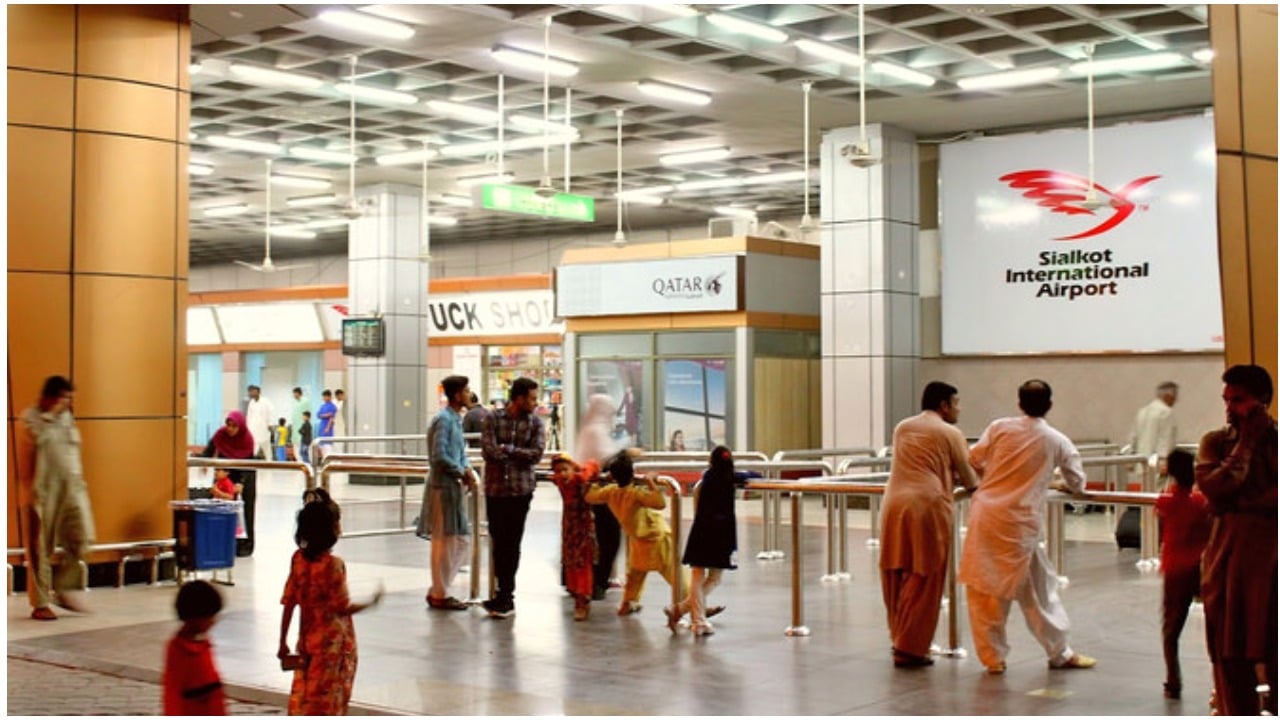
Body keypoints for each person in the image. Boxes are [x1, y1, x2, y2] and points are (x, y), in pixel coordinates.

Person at [958, 379, 1095, 674]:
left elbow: (973, 457)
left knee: (985, 589)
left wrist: (994, 475)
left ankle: (993, 658)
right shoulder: (1057, 440)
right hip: (1020, 524)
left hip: (986, 516)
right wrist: (1053, 481)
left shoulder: (999, 428)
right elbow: (1078, 483)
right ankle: (1059, 652)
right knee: (1039, 591)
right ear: (1049, 405)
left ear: (1019, 404)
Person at [1195, 364, 1277, 716]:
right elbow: (1214, 488)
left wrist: (1238, 500)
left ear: (1263, 402)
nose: (1230, 407)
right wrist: (1245, 444)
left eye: (1239, 400)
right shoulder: (1216, 442)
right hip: (1225, 563)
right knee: (1229, 655)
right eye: (1226, 400)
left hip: (1269, 562)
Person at [880, 381, 979, 667]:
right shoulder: (950, 432)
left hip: (893, 502)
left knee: (894, 569)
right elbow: (970, 478)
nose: (959, 408)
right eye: (956, 403)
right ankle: (910, 647)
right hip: (928, 504)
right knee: (925, 572)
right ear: (944, 405)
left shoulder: (903, 427)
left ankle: (898, 635)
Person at [278, 489, 382, 715]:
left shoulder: (298, 560)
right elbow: (341, 607)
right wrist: (371, 602)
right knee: (329, 697)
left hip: (306, 641)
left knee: (305, 693)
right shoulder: (333, 565)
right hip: (332, 646)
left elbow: (289, 602)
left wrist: (282, 641)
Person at [17, 375, 96, 620]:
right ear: (50, 397)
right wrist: (50, 414)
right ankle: (40, 603)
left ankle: (64, 587)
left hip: (73, 488)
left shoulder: (66, 417)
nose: (68, 403)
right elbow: (35, 452)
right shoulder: (31, 419)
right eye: (65, 397)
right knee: (41, 548)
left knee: (83, 537)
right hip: (42, 493)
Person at [585, 449, 688, 618]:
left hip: (636, 539)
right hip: (656, 538)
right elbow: (659, 503)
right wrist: (651, 482)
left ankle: (628, 603)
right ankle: (694, 602)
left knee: (634, 575)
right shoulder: (636, 494)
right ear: (633, 473)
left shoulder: (611, 492)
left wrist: (597, 481)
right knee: (676, 573)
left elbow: (589, 496)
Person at [479, 377, 546, 619]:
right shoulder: (492, 418)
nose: (535, 403)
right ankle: (502, 593)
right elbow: (488, 450)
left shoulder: (536, 423)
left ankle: (507, 595)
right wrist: (515, 453)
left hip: (521, 491)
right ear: (518, 398)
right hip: (496, 490)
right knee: (499, 541)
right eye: (531, 398)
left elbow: (536, 454)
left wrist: (507, 450)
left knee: (513, 542)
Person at [666, 446, 743, 637]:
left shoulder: (707, 478)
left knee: (697, 575)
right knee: (714, 578)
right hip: (722, 535)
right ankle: (693, 619)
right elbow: (750, 475)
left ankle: (685, 613)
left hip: (701, 533)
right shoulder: (731, 478)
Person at [418, 375, 477, 611]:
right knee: (444, 542)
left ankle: (439, 589)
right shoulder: (443, 420)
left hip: (452, 488)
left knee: (458, 541)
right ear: (456, 395)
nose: (469, 395)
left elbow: (459, 453)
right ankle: (440, 593)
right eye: (466, 391)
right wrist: (461, 471)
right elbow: (439, 456)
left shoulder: (455, 420)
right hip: (442, 488)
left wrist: (467, 469)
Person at [1155, 448, 1210, 700]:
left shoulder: (1164, 501)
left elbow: (1161, 533)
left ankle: (1173, 680)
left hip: (1175, 570)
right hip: (1201, 568)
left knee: (1171, 630)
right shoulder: (1202, 502)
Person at [576, 394, 622, 601]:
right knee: (608, 538)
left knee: (602, 538)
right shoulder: (596, 432)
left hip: (594, 492)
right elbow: (606, 457)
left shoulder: (592, 430)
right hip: (600, 494)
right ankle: (599, 581)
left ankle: (599, 579)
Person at [163, 580, 227, 716]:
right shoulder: (177, 650)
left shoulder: (205, 644)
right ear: (195, 617)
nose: (213, 622)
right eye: (209, 617)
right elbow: (172, 695)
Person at [199, 410, 258, 557]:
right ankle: (225, 541)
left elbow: (249, 465)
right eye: (228, 425)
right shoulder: (221, 434)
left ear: (240, 427)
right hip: (225, 473)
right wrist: (203, 463)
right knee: (222, 506)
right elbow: (210, 448)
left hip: (245, 474)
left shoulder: (247, 439)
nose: (230, 429)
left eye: (234, 426)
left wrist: (242, 483)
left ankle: (246, 544)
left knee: (246, 510)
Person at [550, 454, 600, 621]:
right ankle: (576, 592)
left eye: (565, 469)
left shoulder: (579, 480)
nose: (562, 474)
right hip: (569, 528)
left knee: (582, 561)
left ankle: (583, 597)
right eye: (558, 471)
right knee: (571, 559)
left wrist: (582, 473)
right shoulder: (561, 482)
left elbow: (593, 463)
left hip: (583, 527)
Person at [1127, 381, 1179, 480]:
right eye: (1174, 396)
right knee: (1159, 493)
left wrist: (1130, 460)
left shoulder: (1142, 412)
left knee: (1145, 493)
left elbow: (1133, 438)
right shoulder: (1166, 413)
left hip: (1141, 464)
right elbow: (1166, 440)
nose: (1175, 400)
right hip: (1158, 466)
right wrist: (1164, 462)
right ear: (1168, 396)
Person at [244, 385, 275, 461]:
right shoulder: (251, 403)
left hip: (264, 428)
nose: (252, 393)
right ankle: (251, 462)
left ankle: (269, 462)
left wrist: (270, 424)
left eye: (254, 391)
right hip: (253, 428)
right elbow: (249, 416)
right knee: (254, 446)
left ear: (259, 392)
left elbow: (271, 412)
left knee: (267, 448)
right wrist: (247, 428)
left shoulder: (265, 401)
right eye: (250, 392)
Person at [316, 390, 337, 457]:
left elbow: (331, 418)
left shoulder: (333, 406)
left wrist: (328, 427)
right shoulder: (322, 406)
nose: (324, 398)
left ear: (330, 397)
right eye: (323, 397)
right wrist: (326, 415)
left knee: (328, 448)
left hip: (328, 429)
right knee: (322, 447)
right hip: (321, 428)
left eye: (325, 396)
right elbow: (318, 415)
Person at [290, 386, 308, 459]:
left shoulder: (305, 401)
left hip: (302, 429)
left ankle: (306, 464)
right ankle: (299, 464)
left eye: (294, 393)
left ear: (298, 393)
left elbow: (307, 415)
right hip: (295, 428)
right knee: (296, 448)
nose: (293, 395)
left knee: (303, 448)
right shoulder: (295, 403)